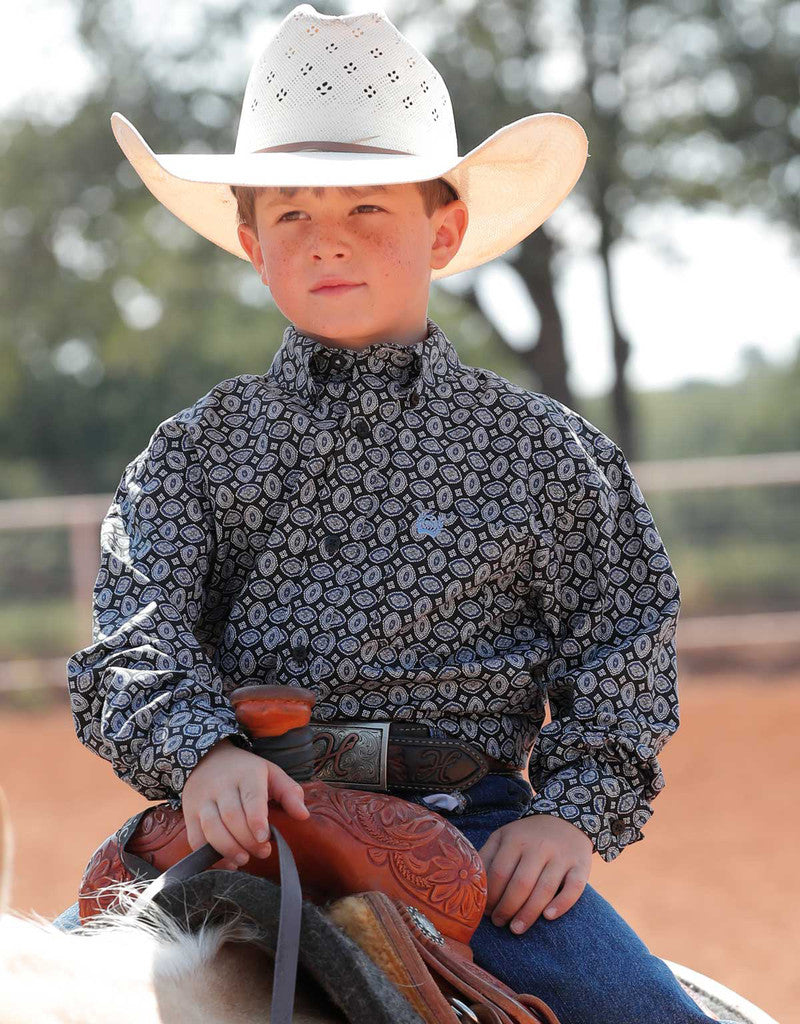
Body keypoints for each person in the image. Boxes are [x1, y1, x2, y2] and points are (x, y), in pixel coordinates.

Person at [54, 6, 724, 1023]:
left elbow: (623, 640)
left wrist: (570, 819)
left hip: (467, 836)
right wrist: (200, 750)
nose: (327, 240)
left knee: (637, 1012)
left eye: (367, 208)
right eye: (290, 215)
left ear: (442, 229)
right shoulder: (195, 453)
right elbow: (133, 636)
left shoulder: (543, 453)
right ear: (250, 241)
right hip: (241, 809)